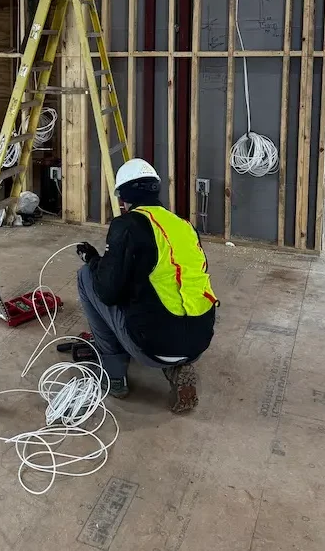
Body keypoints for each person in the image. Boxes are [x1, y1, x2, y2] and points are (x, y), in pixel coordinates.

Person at [75, 158, 218, 413]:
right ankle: (178, 366)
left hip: (151, 346)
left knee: (86, 277)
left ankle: (114, 373)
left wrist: (94, 260)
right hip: (199, 340)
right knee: (162, 294)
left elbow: (107, 292)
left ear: (123, 198)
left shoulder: (127, 225)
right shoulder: (184, 226)